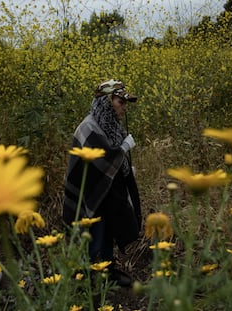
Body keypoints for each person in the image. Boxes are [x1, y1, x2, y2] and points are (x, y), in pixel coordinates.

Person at [63, 79, 142, 287]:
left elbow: (111, 160)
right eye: (120, 102)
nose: (124, 108)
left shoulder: (111, 126)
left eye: (125, 103)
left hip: (108, 191)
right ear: (106, 102)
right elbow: (100, 159)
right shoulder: (88, 127)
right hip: (90, 192)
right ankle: (86, 279)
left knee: (109, 228)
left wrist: (125, 169)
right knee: (92, 232)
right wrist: (123, 149)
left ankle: (107, 270)